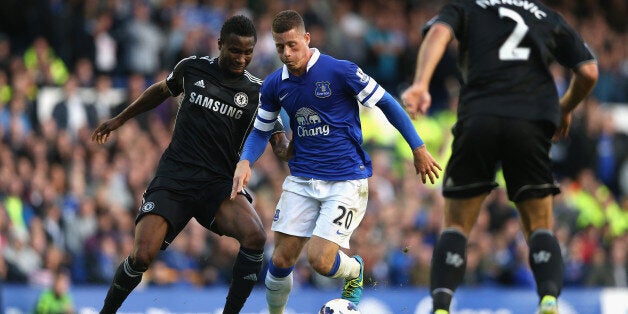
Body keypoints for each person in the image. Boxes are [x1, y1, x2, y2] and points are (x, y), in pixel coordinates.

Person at [231, 10, 442, 313]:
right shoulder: (275, 84)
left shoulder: (340, 71)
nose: (287, 53)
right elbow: (261, 130)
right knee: (279, 261)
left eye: (292, 45)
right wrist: (246, 161)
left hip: (346, 181)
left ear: (306, 38)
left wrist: (418, 147)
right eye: (280, 47)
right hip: (302, 179)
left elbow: (386, 103)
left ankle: (354, 270)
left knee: (320, 260)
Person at [400, 1, 599, 313]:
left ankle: (440, 306)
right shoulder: (545, 15)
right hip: (531, 123)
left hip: (480, 117)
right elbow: (588, 71)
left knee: (456, 224)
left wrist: (422, 83)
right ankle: (548, 299)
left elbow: (439, 32)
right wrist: (565, 107)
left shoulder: (466, 7)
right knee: (539, 225)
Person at [92, 15, 291, 314]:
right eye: (235, 50)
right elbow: (160, 91)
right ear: (220, 44)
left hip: (217, 186)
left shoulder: (257, 92)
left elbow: (277, 139)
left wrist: (290, 149)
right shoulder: (192, 68)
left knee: (256, 237)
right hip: (175, 179)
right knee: (142, 256)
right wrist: (120, 119)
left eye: (248, 52)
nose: (241, 58)